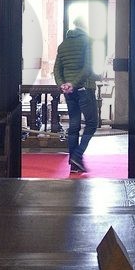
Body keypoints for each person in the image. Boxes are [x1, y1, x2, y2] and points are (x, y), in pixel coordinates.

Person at [52, 14, 98, 174]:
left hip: (69, 92)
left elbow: (56, 69)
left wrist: (63, 84)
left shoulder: (63, 45)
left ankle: (74, 165)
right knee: (92, 123)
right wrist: (74, 84)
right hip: (84, 88)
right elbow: (88, 68)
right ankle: (77, 156)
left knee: (73, 126)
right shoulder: (88, 41)